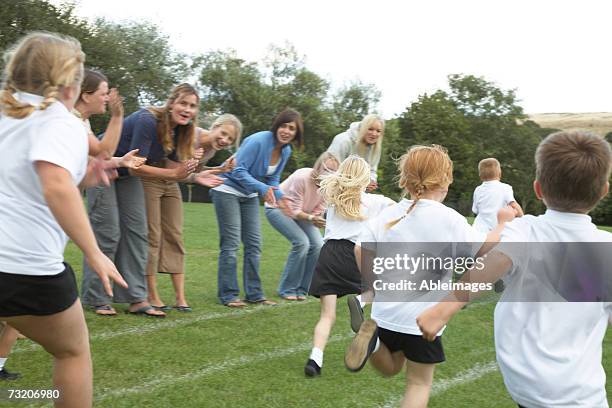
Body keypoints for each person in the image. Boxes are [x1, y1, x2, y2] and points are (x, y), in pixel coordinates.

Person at [417, 131, 612, 408]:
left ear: (538, 189)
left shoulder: (525, 230)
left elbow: (493, 263)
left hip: (530, 387)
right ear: (604, 191)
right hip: (581, 393)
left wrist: (443, 309)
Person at [0, 31, 126, 407]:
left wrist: (82, 178)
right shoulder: (61, 121)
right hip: (25, 270)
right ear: (71, 85)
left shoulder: (7, 112)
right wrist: (95, 252)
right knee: (72, 352)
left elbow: (26, 179)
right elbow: (54, 185)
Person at [342, 145, 508, 407]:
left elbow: (360, 248)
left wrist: (372, 285)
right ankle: (372, 344)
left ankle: (372, 345)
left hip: (385, 314)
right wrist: (503, 224)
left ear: (405, 179)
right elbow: (484, 247)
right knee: (418, 383)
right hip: (424, 318)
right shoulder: (448, 218)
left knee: (391, 367)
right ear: (445, 180)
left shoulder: (390, 213)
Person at [81, 83, 222, 317]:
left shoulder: (182, 132)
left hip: (127, 176)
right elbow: (137, 165)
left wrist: (195, 175)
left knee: (138, 232)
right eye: (183, 103)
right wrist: (175, 175)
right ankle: (97, 298)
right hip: (102, 167)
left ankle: (137, 298)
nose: (187, 110)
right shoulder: (147, 120)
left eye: (192, 106)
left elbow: (174, 170)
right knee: (108, 231)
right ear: (171, 103)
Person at [304, 156, 395, 377]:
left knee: (327, 315)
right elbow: (399, 209)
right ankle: (360, 302)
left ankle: (315, 359)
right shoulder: (375, 201)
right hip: (354, 254)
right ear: (365, 178)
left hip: (329, 255)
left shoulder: (333, 198)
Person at [144, 113, 242, 312]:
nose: (224, 140)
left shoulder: (210, 150)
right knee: (153, 237)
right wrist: (191, 166)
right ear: (215, 127)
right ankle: (152, 295)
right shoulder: (190, 134)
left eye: (230, 139)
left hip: (171, 184)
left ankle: (180, 298)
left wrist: (220, 169)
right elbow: (172, 165)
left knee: (175, 236)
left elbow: (193, 173)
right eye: (223, 133)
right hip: (152, 179)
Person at [210, 109, 304, 307]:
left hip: (249, 194)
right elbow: (238, 170)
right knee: (231, 244)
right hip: (226, 189)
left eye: (292, 128)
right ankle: (229, 295)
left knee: (254, 245)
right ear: (277, 125)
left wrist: (281, 197)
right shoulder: (258, 141)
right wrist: (262, 189)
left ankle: (254, 294)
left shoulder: (285, 151)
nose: (286, 131)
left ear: (296, 133)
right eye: (284, 126)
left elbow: (273, 178)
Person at [265, 152, 339, 301]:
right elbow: (293, 210)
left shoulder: (331, 186)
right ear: (318, 167)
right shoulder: (302, 177)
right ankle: (287, 289)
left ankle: (303, 288)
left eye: (333, 171)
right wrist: (312, 218)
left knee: (318, 245)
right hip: (278, 208)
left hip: (304, 213)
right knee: (301, 243)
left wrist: (317, 218)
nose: (330, 173)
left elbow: (319, 208)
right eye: (327, 169)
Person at [74, 69, 145, 170]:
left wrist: (120, 161)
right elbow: (104, 153)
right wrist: (117, 117)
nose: (107, 99)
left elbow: (90, 158)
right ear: (86, 97)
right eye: (103, 94)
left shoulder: (83, 121)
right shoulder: (72, 121)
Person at [327, 114, 384, 192]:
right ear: (363, 128)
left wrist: (370, 181)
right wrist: (357, 183)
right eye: (370, 129)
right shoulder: (343, 141)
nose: (374, 134)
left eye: (378, 131)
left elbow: (372, 171)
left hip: (355, 193)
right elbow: (328, 171)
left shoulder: (375, 147)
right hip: (331, 191)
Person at [472, 157, 523, 232]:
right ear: (500, 173)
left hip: (479, 229)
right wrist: (523, 218)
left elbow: (475, 210)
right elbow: (514, 205)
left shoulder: (478, 190)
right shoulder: (505, 188)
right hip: (498, 228)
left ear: (480, 176)